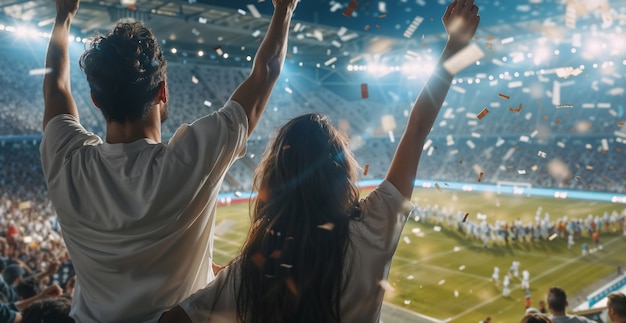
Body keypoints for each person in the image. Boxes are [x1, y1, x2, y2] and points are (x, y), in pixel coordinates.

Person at [158, 1, 481, 322]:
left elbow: (173, 319)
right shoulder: (372, 229)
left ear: (274, 181)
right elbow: (417, 129)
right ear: (340, 174)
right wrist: (454, 48)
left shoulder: (248, 272)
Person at [39, 0, 298, 320]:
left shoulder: (68, 161)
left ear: (95, 100)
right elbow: (266, 72)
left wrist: (62, 19)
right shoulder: (191, 159)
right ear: (162, 91)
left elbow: (55, 89)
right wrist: (284, 9)